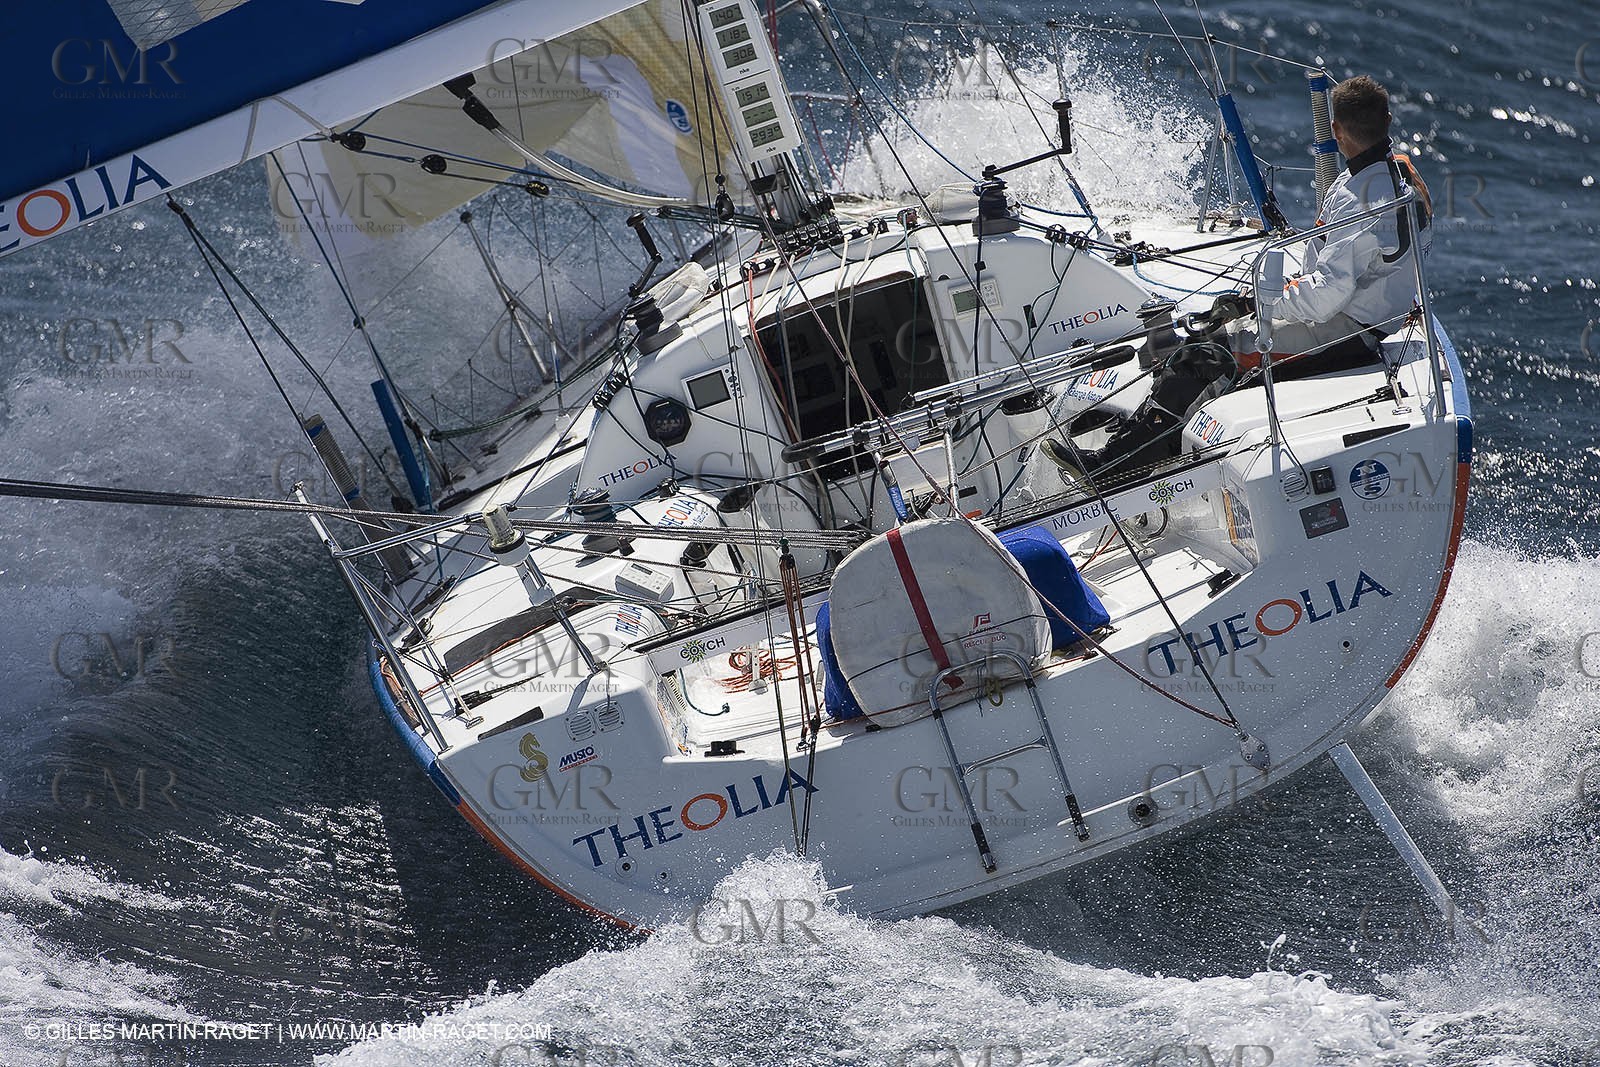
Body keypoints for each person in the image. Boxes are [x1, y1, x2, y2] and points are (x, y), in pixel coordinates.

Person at [1042, 75, 1431, 485]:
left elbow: (1323, 299)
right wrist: (1253, 302)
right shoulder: (1402, 172)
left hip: (1348, 331)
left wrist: (1255, 303)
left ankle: (1116, 465)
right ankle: (1151, 433)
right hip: (1372, 314)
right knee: (1216, 328)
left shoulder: (1360, 196)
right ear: (1387, 120)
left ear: (1335, 131)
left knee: (1208, 352)